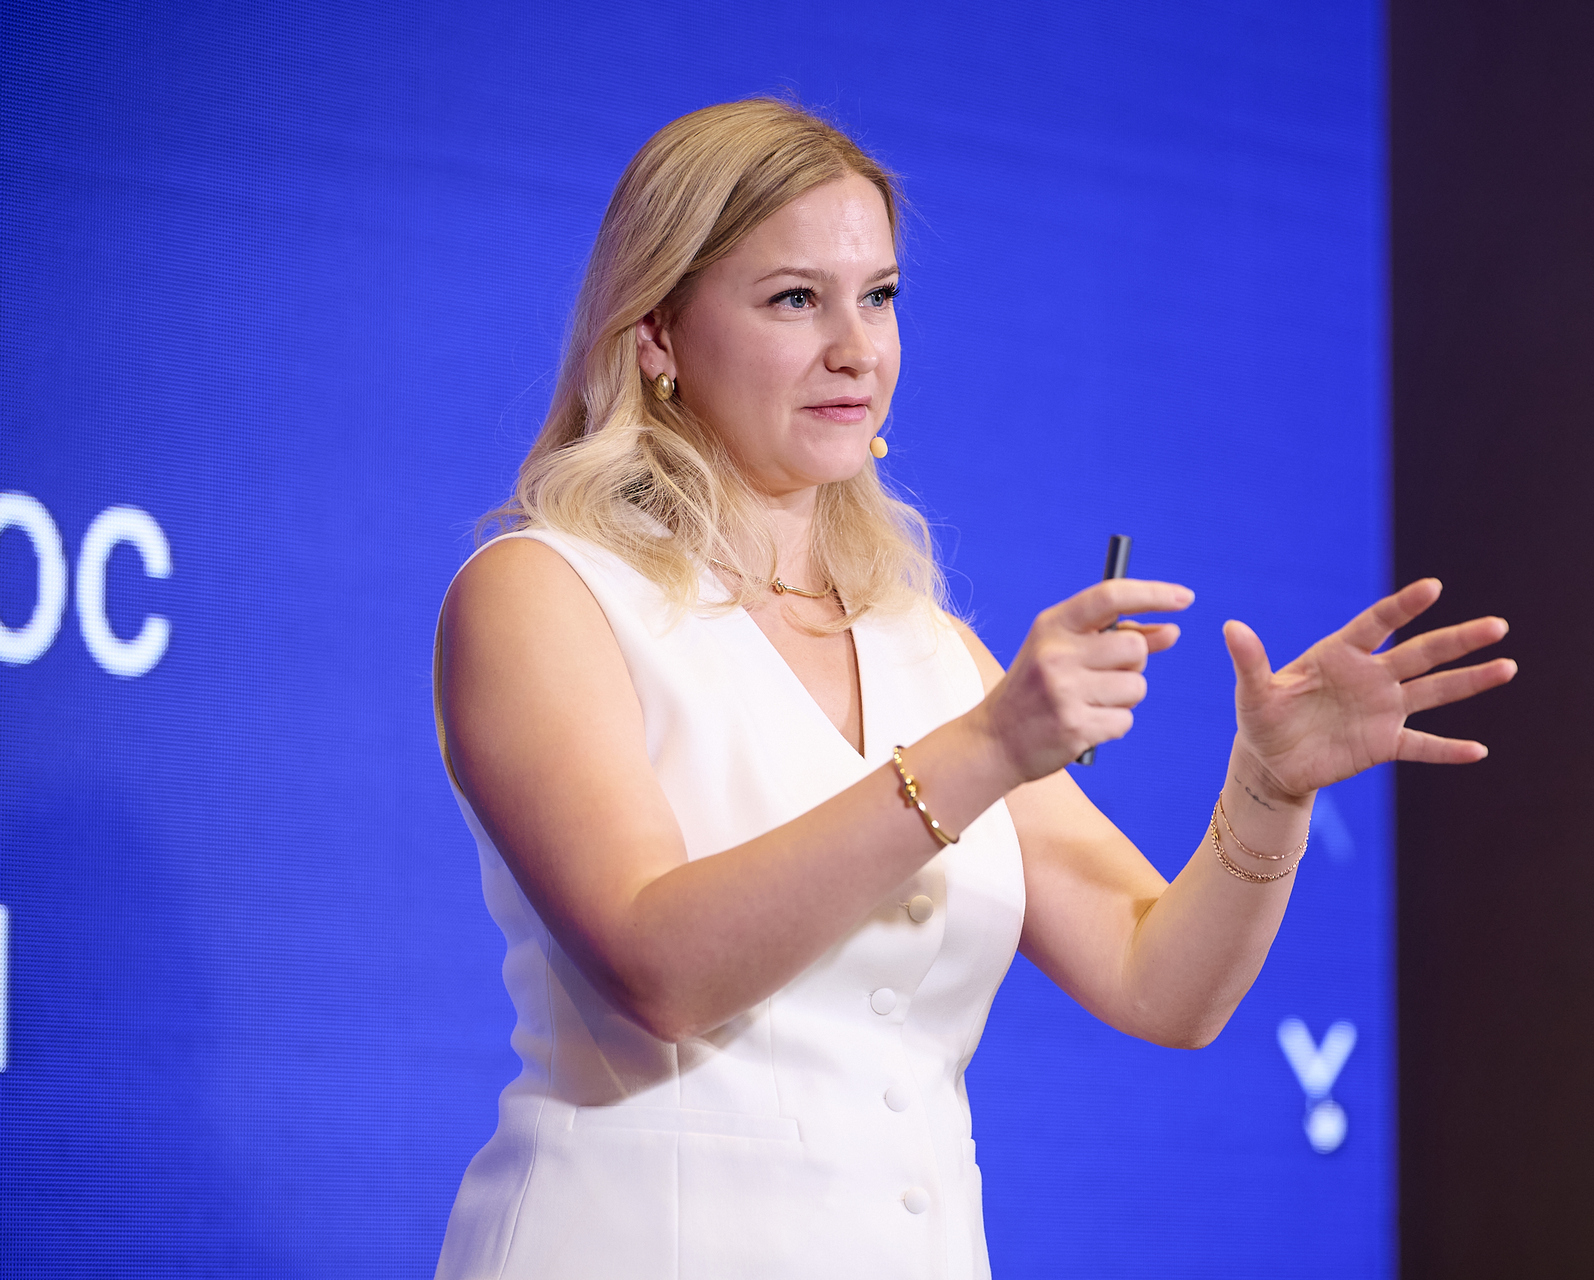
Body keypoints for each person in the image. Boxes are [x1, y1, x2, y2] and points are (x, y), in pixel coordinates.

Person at [430, 98, 1514, 1280]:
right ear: (656, 335)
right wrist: (986, 747)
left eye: (879, 295)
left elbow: (1160, 981)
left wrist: (1269, 786)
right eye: (794, 298)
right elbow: (659, 967)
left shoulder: (928, 646)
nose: (857, 347)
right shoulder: (544, 591)